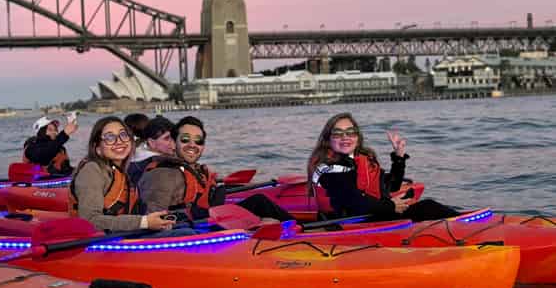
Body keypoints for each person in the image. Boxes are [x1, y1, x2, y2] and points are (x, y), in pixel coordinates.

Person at [307, 112, 459, 222]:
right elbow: (355, 201)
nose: (345, 137)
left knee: (428, 207)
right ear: (328, 139)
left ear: (358, 137)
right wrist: (391, 205)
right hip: (350, 225)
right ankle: (470, 226)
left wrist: (399, 157)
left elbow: (391, 187)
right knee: (428, 207)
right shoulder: (327, 169)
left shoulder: (361, 160)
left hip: (375, 214)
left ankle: (464, 224)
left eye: (350, 133)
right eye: (338, 133)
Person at [139, 116, 292, 222]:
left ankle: (303, 229)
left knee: (259, 201)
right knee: (260, 203)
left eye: (198, 141)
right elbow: (154, 219)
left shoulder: (193, 169)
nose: (192, 145)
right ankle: (305, 231)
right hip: (199, 226)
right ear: (174, 142)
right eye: (185, 139)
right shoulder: (162, 174)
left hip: (211, 217)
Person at [68, 116, 175, 232]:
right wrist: (144, 222)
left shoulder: (120, 170)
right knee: (185, 234)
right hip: (100, 241)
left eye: (123, 135)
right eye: (109, 137)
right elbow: (90, 220)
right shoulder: (91, 170)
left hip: (124, 233)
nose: (119, 141)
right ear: (97, 147)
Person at [127, 116, 174, 185]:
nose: (173, 142)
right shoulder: (158, 165)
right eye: (167, 138)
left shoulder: (133, 159)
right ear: (151, 142)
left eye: (174, 136)